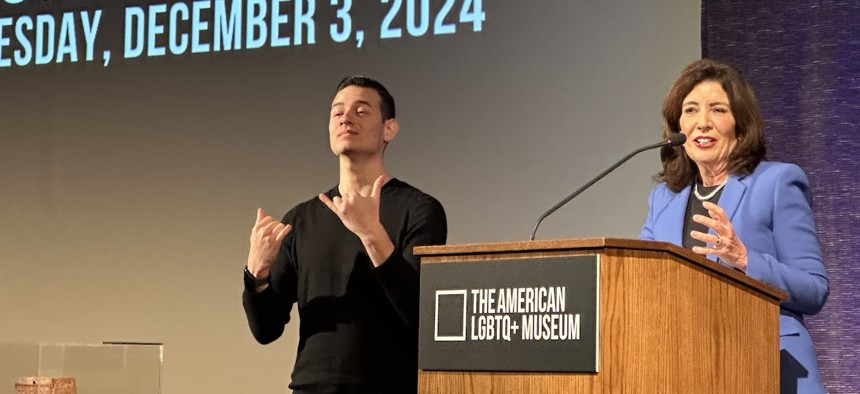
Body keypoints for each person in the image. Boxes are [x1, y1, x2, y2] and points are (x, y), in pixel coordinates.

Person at [242, 76, 447, 393]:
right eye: (336, 112)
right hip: (312, 386)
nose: (345, 117)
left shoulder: (420, 210)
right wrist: (256, 274)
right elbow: (266, 330)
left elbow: (420, 315)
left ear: (389, 129)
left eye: (361, 111)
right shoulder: (301, 219)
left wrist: (372, 233)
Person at [639, 59, 829, 393]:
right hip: (688, 369)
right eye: (691, 110)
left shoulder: (777, 182)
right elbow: (643, 281)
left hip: (770, 366)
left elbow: (813, 289)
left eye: (718, 110)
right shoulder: (663, 200)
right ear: (676, 128)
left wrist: (744, 259)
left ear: (740, 125)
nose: (703, 123)